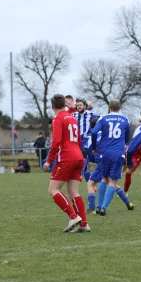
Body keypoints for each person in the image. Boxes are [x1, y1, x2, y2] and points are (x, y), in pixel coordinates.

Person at [43, 94, 89, 233]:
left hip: (66, 157)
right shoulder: (73, 118)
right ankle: (84, 224)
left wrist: (48, 161)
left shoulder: (58, 118)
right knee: (74, 191)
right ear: (64, 104)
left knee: (53, 189)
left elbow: (56, 142)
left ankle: (73, 216)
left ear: (52, 106)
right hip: (78, 156)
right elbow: (79, 140)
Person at [85, 118, 134, 214]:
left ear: (91, 127)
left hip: (102, 161)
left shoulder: (93, 137)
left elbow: (90, 152)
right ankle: (128, 203)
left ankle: (93, 208)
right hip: (114, 157)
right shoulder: (106, 135)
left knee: (90, 183)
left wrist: (92, 158)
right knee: (112, 182)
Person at [90, 99, 130, 216]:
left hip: (104, 152)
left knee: (103, 178)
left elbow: (94, 133)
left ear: (109, 107)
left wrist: (93, 148)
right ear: (120, 107)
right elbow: (127, 138)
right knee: (113, 181)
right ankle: (103, 207)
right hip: (118, 152)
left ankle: (98, 206)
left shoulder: (103, 118)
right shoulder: (125, 119)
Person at [73, 98, 100, 181]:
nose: (78, 107)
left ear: (85, 106)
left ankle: (79, 174)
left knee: (84, 152)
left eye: (80, 105)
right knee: (79, 161)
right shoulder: (73, 115)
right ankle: (90, 183)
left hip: (88, 138)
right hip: (77, 140)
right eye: (77, 105)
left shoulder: (92, 114)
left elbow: (102, 121)